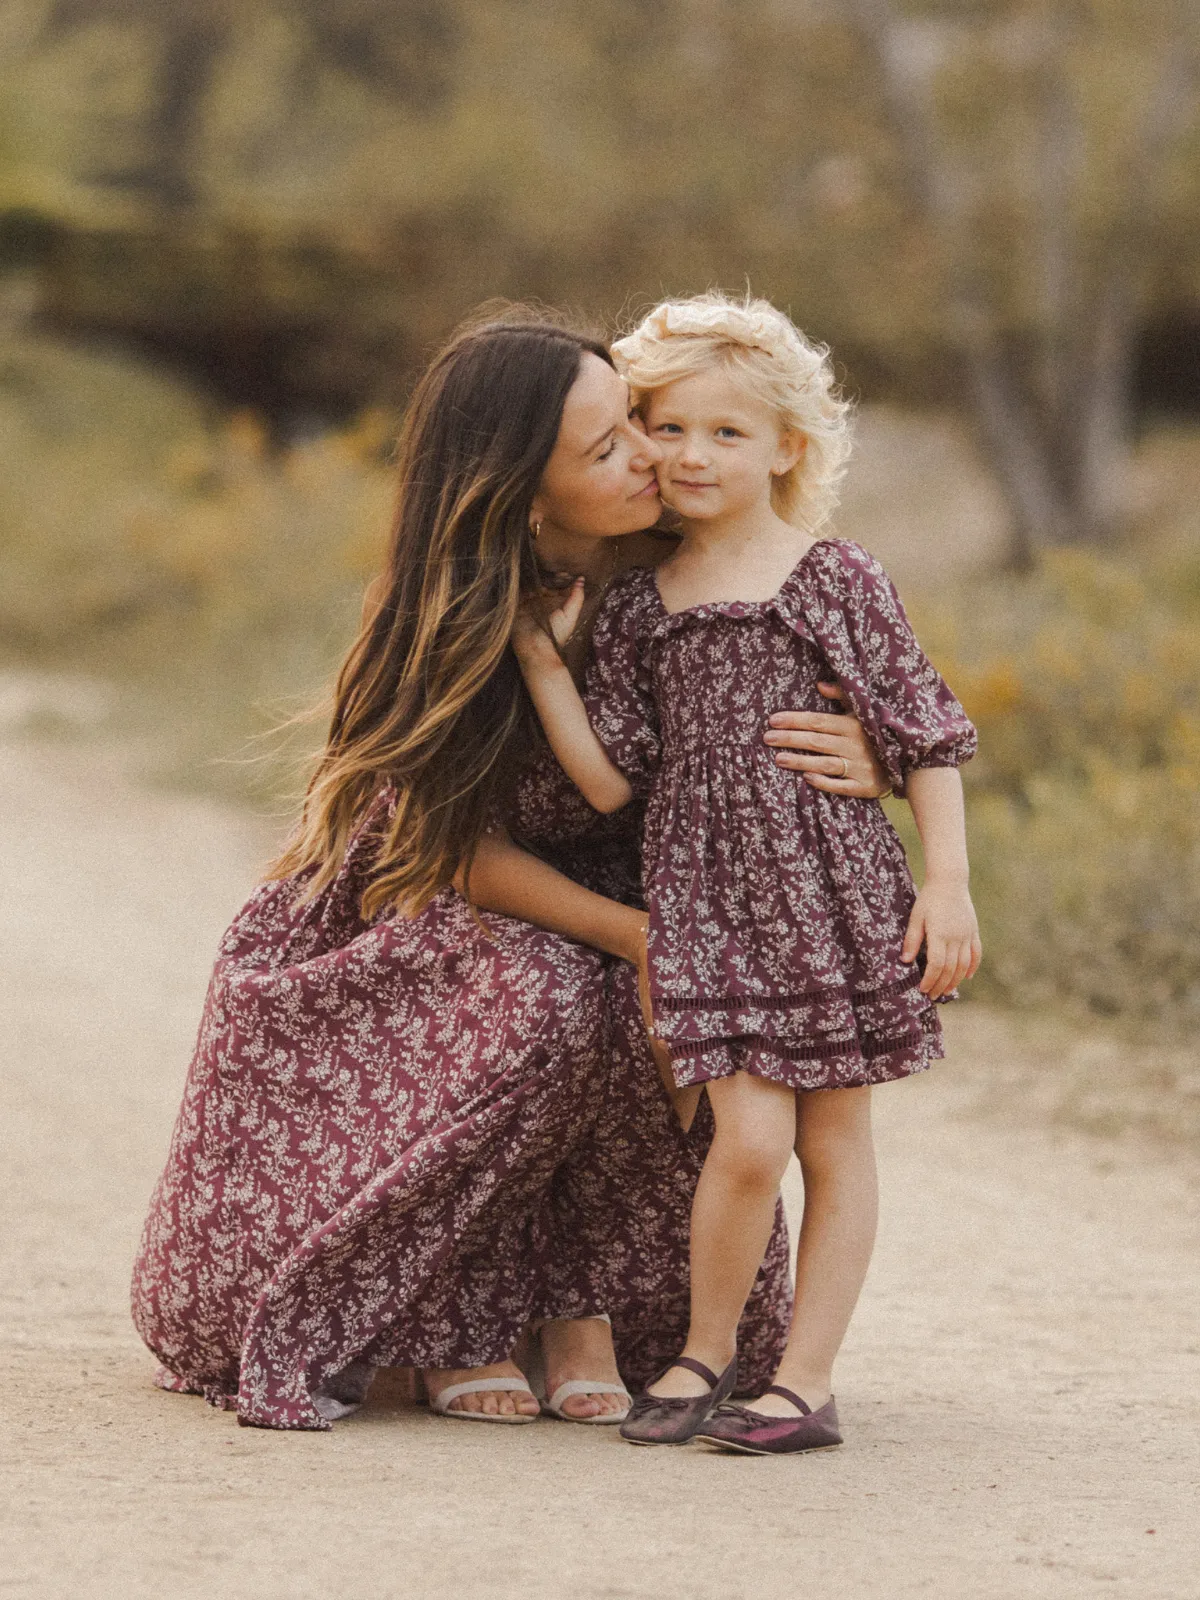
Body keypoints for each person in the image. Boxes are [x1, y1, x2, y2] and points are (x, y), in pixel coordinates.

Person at [131, 305, 889, 1431]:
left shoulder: (686, 564)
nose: (650, 455)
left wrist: (866, 752)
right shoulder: (457, 612)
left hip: (639, 889)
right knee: (553, 997)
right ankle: (459, 1309)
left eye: (634, 420)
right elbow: (447, 854)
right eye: (608, 448)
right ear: (527, 494)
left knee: (660, 1008)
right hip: (437, 902)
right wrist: (636, 934)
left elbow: (794, 707)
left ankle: (583, 1303)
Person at [513, 292, 981, 1454]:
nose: (692, 455)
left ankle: (805, 1380)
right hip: (709, 909)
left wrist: (949, 884)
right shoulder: (635, 605)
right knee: (748, 1143)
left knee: (833, 1140)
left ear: (788, 447)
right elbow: (614, 781)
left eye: (728, 433)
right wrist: (539, 659)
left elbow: (924, 735)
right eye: (666, 428)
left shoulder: (835, 577)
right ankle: (703, 1352)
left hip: (833, 898)